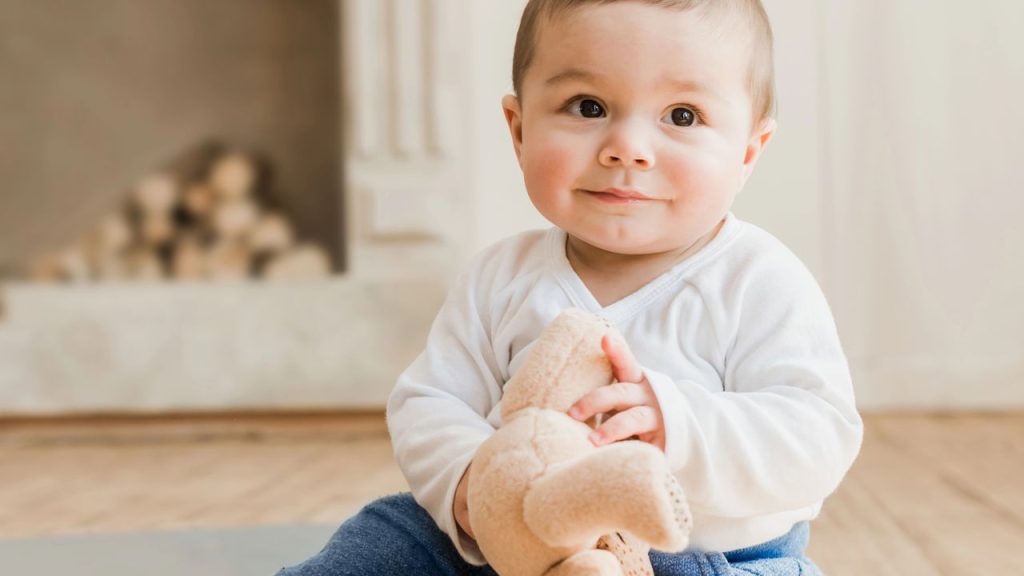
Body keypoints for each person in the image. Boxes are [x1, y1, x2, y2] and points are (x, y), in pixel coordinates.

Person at [277, 1, 862, 574]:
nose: (627, 147)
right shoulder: (500, 277)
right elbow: (430, 401)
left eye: (682, 115)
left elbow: (818, 435)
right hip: (517, 545)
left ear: (747, 153)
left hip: (703, 554)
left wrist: (675, 424)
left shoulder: (758, 281)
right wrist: (472, 484)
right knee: (384, 535)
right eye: (588, 106)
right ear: (520, 129)